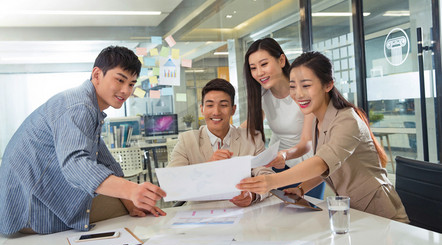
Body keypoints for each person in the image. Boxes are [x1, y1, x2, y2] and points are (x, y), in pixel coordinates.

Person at [0, 46, 166, 235]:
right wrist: (132, 191)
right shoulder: (78, 106)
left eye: (131, 84)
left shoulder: (91, 107)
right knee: (123, 224)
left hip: (41, 197)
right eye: (120, 80)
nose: (125, 91)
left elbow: (106, 161)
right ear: (97, 75)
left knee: (123, 211)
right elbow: (75, 163)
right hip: (29, 208)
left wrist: (131, 204)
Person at [237, 51, 409, 223]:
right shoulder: (317, 121)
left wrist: (271, 181)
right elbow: (329, 168)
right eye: (293, 86)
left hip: (382, 214)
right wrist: (301, 189)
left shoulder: (347, 120)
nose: (298, 94)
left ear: (328, 85)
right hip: (354, 212)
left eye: (306, 85)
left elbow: (321, 163)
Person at [168, 78, 273, 207]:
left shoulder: (252, 139)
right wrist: (208, 167)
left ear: (233, 110)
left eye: (223, 105)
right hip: (200, 214)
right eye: (210, 105)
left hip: (244, 213)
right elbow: (172, 182)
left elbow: (266, 175)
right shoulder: (187, 140)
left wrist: (253, 195)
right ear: (202, 109)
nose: (216, 112)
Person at [243, 38, 325, 198]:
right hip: (275, 164)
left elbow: (306, 142)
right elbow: (251, 126)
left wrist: (285, 155)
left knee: (306, 217)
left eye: (264, 64)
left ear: (281, 60)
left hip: (306, 167)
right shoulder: (262, 95)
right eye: (253, 68)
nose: (259, 72)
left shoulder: (303, 91)